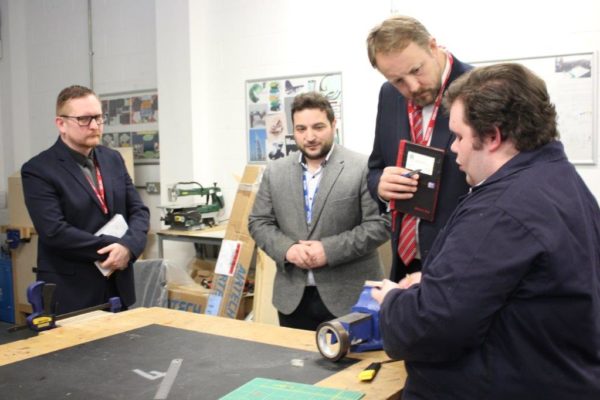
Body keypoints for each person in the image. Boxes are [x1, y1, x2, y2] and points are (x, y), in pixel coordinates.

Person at [372, 63, 600, 399]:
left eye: (460, 136)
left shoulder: (501, 209)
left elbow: (429, 327)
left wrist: (393, 301)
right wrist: (437, 282)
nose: (453, 149)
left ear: (493, 137)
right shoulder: (559, 179)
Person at [248, 92, 389, 330]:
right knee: (296, 364)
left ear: (334, 124)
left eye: (318, 127)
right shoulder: (275, 172)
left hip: (350, 298)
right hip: (293, 299)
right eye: (301, 129)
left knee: (354, 367)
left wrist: (329, 250)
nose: (310, 137)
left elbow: (380, 224)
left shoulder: (364, 168)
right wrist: (288, 250)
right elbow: (258, 222)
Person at [21, 85, 150, 314]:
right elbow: (54, 231)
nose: (94, 126)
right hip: (72, 292)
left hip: (117, 287)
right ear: (61, 123)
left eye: (99, 118)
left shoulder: (113, 159)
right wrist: (115, 248)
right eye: (84, 119)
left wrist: (128, 248)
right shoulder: (38, 170)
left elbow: (139, 210)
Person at [366, 15, 471, 282]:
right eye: (398, 80)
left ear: (433, 46)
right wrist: (380, 185)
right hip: (405, 260)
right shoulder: (388, 96)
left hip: (459, 262)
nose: (411, 87)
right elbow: (376, 167)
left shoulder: (477, 87)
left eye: (416, 70)